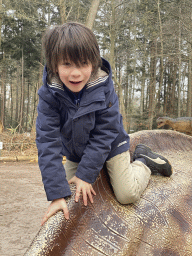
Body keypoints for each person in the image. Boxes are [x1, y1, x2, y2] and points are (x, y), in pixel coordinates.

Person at [36, 22, 172, 226]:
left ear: (93, 62)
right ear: (54, 64)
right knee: (69, 197)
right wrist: (56, 195)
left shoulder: (103, 87)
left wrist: (86, 174)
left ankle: (143, 161)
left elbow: (105, 133)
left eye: (83, 64)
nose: (76, 73)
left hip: (111, 145)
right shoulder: (49, 95)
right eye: (67, 64)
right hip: (75, 151)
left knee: (127, 194)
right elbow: (47, 143)